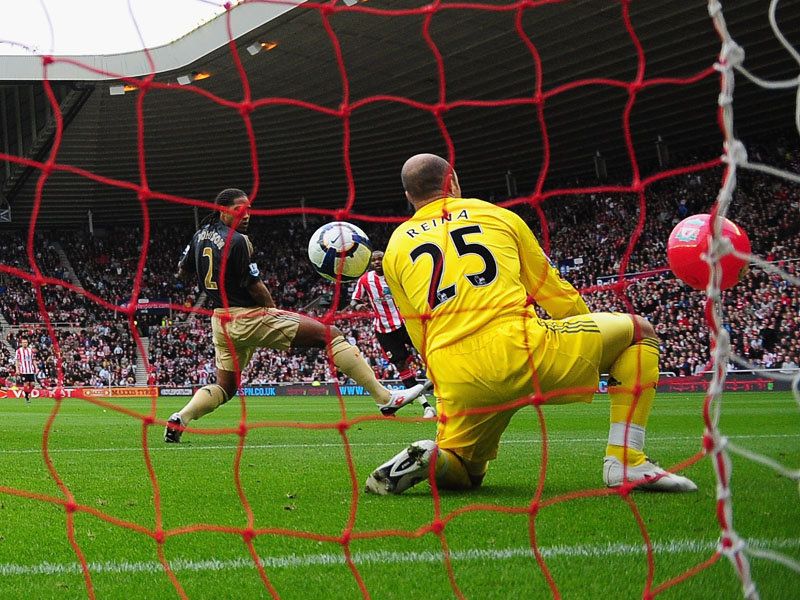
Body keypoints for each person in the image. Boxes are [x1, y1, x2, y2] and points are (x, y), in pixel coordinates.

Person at [364, 154, 697, 494]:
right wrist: (590, 343)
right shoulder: (498, 217)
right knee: (638, 332)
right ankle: (625, 459)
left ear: (409, 197)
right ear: (453, 182)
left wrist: (445, 382)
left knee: (466, 472)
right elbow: (553, 292)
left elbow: (418, 331)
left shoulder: (394, 249)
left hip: (455, 372)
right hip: (523, 348)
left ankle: (434, 458)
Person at [165, 188, 428, 443]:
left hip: (220, 321)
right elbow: (254, 284)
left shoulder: (200, 235)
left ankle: (181, 417)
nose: (246, 215)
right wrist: (272, 311)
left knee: (225, 388)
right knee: (331, 335)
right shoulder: (239, 240)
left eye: (248, 210)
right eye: (239, 210)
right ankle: (385, 399)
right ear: (224, 211)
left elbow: (182, 271)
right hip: (248, 317)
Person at [350, 250, 437, 418]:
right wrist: (358, 306)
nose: (376, 262)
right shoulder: (365, 280)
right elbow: (354, 301)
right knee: (401, 366)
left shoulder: (395, 275)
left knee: (429, 353)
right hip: (384, 330)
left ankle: (441, 386)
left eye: (379, 259)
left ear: (385, 260)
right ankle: (426, 406)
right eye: (373, 260)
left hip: (406, 323)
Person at [15, 338, 36, 404]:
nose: (25, 343)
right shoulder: (18, 351)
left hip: (30, 370)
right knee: (26, 384)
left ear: (27, 343)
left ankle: (27, 393)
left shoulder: (30, 350)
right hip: (23, 371)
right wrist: (17, 369)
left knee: (32, 384)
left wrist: (36, 367)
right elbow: (17, 361)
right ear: (21, 343)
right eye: (23, 342)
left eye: (26, 342)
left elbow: (33, 360)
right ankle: (27, 397)